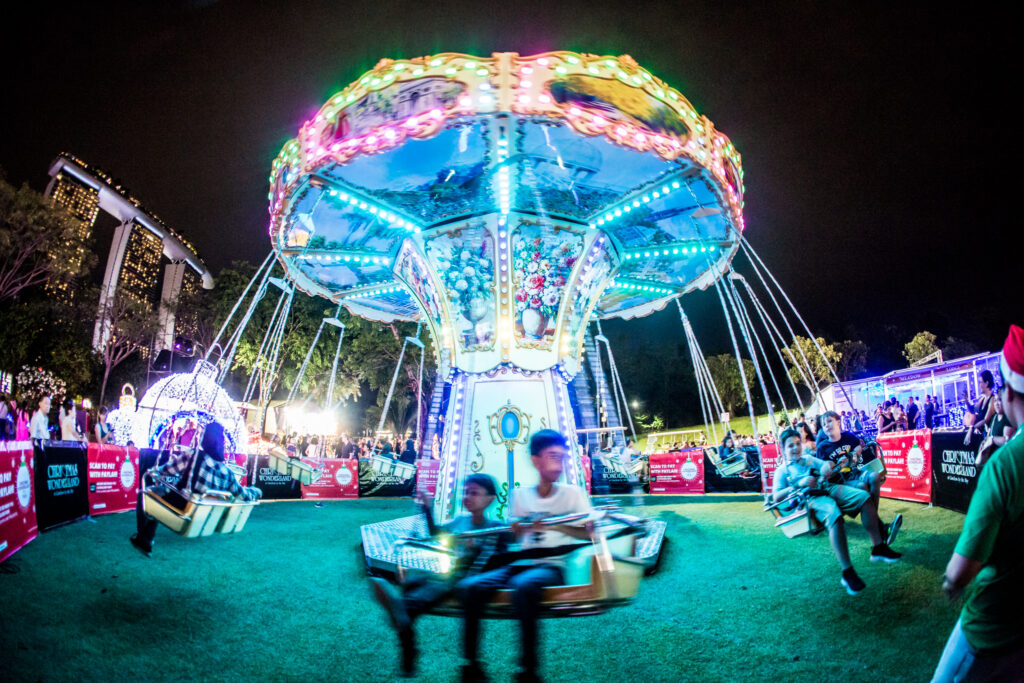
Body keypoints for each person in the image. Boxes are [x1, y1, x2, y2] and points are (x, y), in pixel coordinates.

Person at [458, 429, 593, 683]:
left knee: (524, 587)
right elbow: (517, 540)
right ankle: (471, 665)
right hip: (520, 563)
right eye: (553, 456)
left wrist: (555, 525)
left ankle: (528, 671)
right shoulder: (520, 496)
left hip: (551, 565)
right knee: (470, 587)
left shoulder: (573, 494)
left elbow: (589, 534)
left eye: (562, 457)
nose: (559, 463)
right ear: (536, 460)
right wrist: (517, 531)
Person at [931, 325, 1024, 682]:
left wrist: (950, 583)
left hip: (993, 625)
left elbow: (961, 570)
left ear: (1010, 391)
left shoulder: (1006, 464)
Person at [370, 474, 512, 677]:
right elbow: (437, 533)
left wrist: (474, 548)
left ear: (490, 498)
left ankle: (404, 628)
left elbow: (502, 559)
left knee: (436, 587)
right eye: (465, 492)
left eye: (474, 493)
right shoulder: (461, 521)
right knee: (417, 582)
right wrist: (427, 508)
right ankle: (404, 624)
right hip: (453, 573)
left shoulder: (496, 527)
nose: (468, 497)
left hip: (472, 578)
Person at [771, 427, 899, 594]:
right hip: (810, 498)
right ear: (783, 447)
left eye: (797, 444)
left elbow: (824, 464)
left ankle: (878, 547)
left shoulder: (808, 459)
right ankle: (847, 572)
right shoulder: (782, 471)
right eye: (790, 446)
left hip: (827, 487)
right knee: (834, 516)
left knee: (863, 497)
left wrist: (825, 467)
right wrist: (798, 484)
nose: (795, 448)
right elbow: (776, 497)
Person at [130, 422, 261, 557]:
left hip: (183, 509)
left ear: (204, 439)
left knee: (147, 494)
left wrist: (154, 471)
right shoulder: (226, 472)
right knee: (159, 496)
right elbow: (242, 494)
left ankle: (144, 539)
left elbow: (168, 470)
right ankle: (146, 539)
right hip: (203, 515)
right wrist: (255, 491)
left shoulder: (193, 456)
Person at [817, 411, 902, 546]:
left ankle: (877, 525)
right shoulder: (822, 447)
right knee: (862, 487)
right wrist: (837, 466)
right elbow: (825, 475)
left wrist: (853, 454)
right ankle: (881, 528)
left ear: (838, 422)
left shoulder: (848, 437)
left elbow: (858, 446)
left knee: (874, 476)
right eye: (823, 424)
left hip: (853, 473)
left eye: (829, 421)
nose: (826, 425)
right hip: (839, 482)